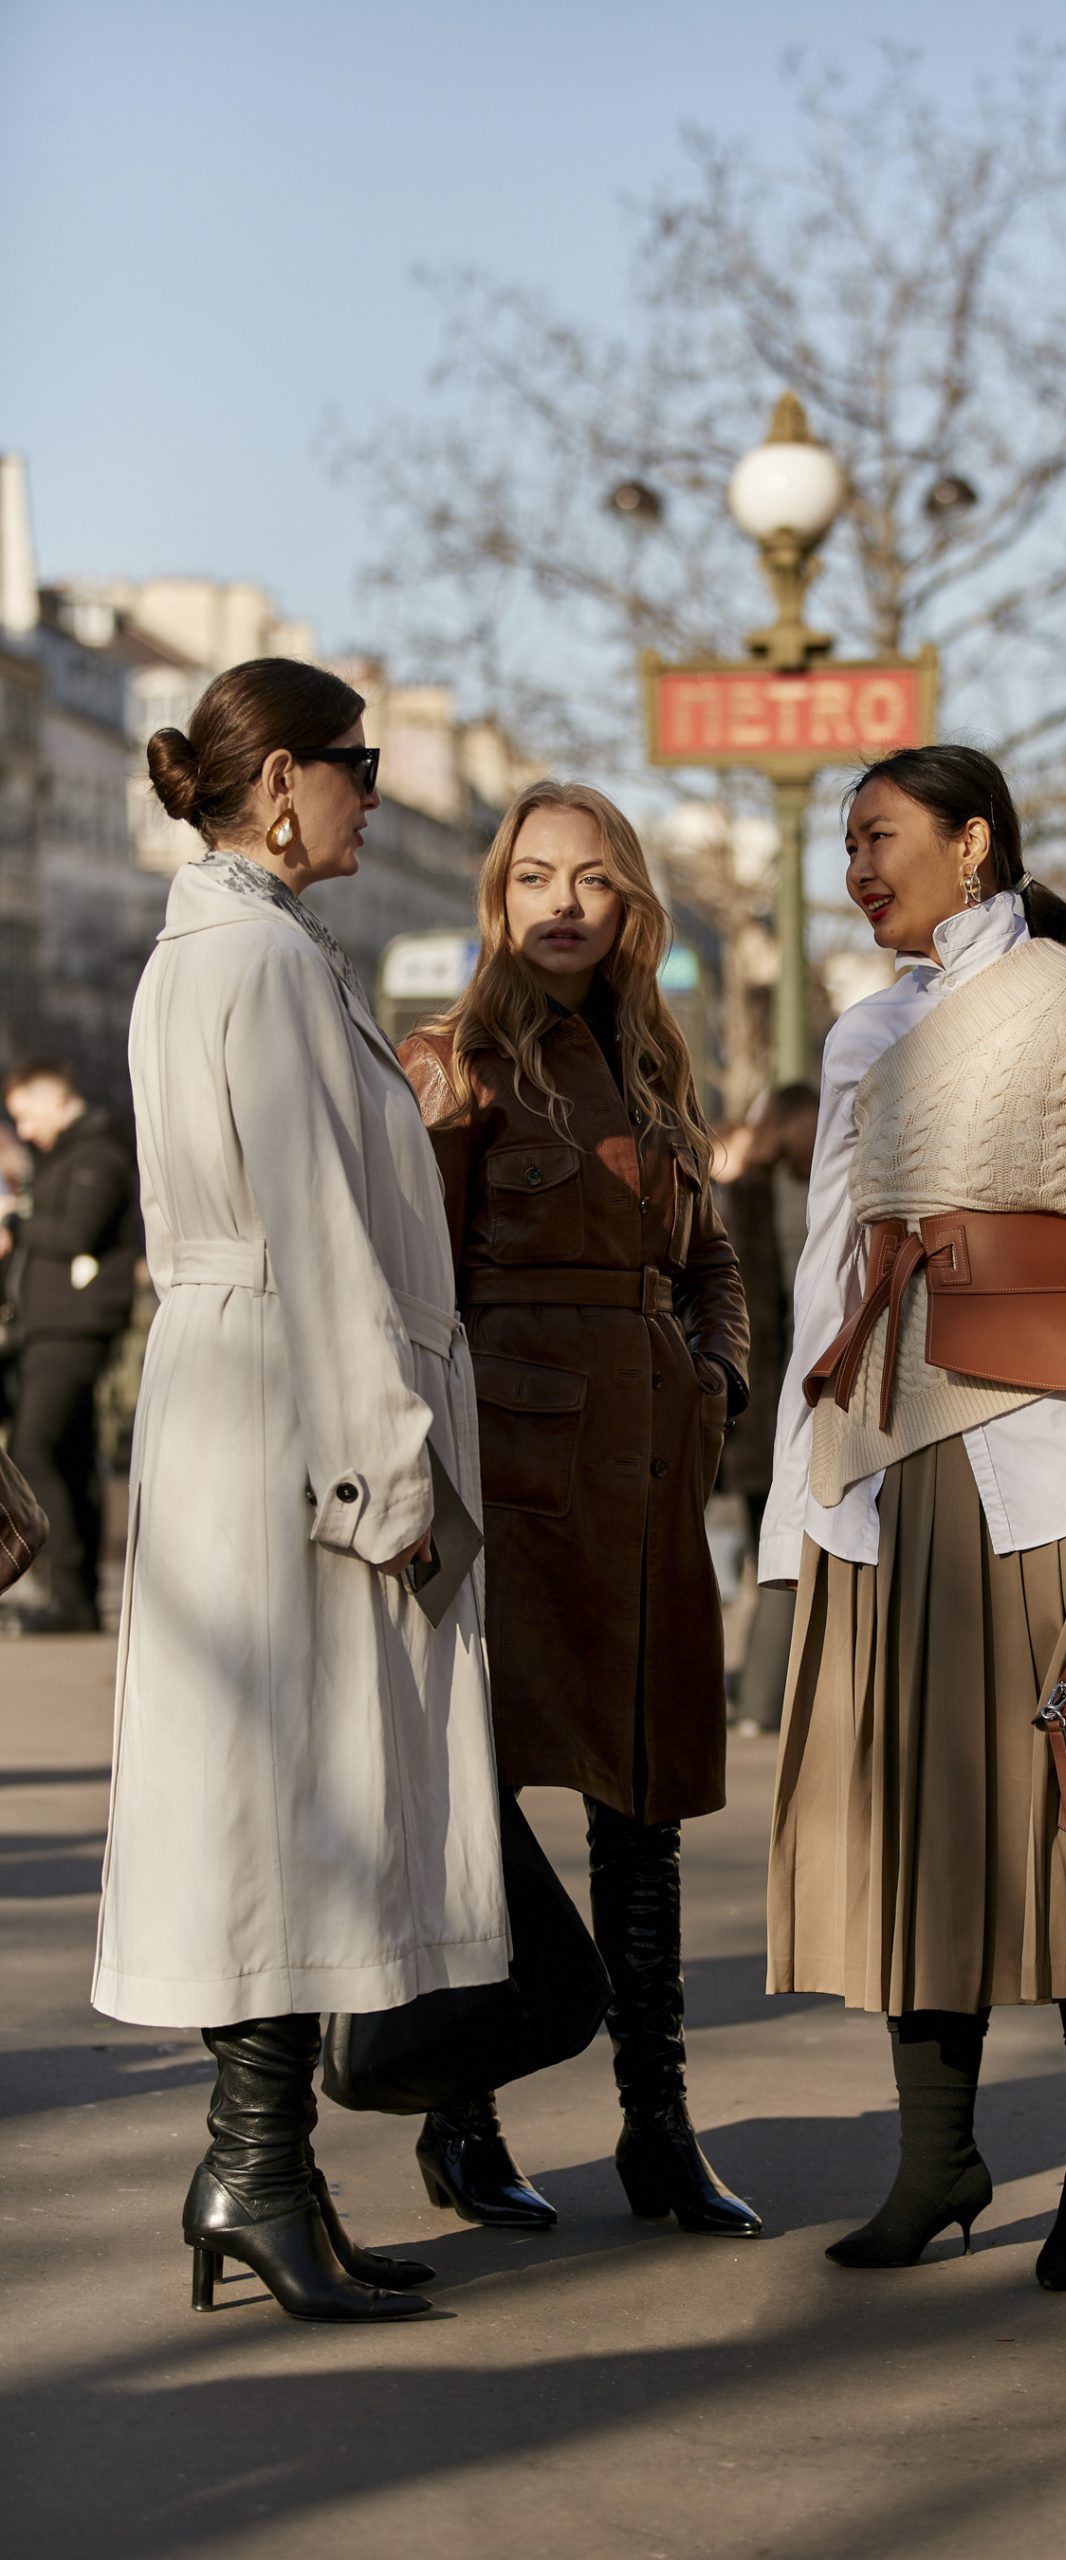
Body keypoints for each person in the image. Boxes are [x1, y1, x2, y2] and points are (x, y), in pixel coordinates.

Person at [91, 658, 508, 2324]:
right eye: (356, 766)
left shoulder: (222, 949)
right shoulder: (257, 961)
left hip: (248, 1398)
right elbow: (323, 1242)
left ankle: (260, 2167)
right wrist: (389, 1473)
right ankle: (255, 2168)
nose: (375, 793)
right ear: (278, 783)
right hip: (293, 1412)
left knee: (268, 1798)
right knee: (287, 1795)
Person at [761, 744, 1066, 2282]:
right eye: (841, 844)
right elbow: (827, 1276)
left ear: (974, 845)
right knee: (914, 1826)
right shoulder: (857, 1035)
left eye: (880, 837)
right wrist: (788, 1511)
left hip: (1050, 1461)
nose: (856, 869)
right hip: (888, 1464)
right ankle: (935, 2156)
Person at [399, 780, 760, 2239]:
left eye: (590, 880)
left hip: (647, 1474)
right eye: (533, 876)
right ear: (497, 899)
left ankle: (655, 2126)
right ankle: (459, 2114)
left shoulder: (662, 1068)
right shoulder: (452, 1065)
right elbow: (409, 1292)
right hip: (506, 1480)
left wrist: (716, 1378)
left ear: (628, 906)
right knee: (475, 1806)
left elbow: (714, 1262)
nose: (560, 903)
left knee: (643, 1809)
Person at [0, 1061, 141, 1633]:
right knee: (73, 1454)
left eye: (25, 1114)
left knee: (33, 1447)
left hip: (73, 1326)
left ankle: (57, 1578)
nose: (25, 1129)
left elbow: (78, 1232)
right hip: (53, 1323)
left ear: (54, 1100)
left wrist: (16, 1221)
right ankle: (75, 1598)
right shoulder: (63, 1156)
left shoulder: (96, 1155)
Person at [715, 1081, 820, 1732]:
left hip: (735, 1400)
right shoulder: (791, 1198)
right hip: (775, 1401)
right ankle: (760, 1701)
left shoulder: (740, 1195)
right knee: (783, 1552)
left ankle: (753, 1701)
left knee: (763, 1550)